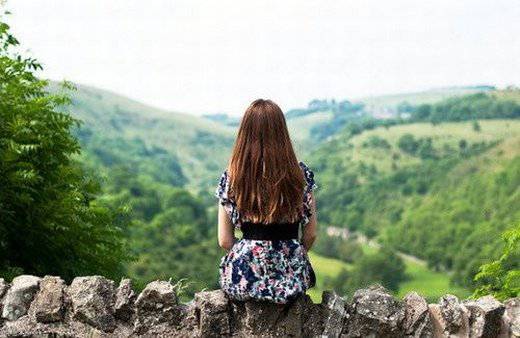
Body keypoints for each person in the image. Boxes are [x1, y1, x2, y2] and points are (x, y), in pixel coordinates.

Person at [215, 98, 317, 304]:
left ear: (245, 134)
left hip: (244, 278)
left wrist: (252, 254)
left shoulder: (232, 177)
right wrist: (291, 254)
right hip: (292, 279)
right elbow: (311, 234)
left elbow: (225, 240)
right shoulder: (300, 175)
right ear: (282, 133)